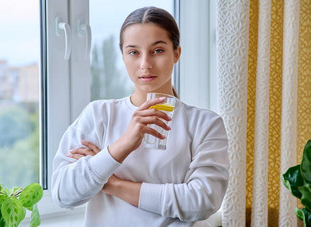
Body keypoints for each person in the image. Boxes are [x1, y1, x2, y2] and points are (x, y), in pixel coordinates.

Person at [51, 6, 229, 227]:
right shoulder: (98, 115)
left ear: (176, 53)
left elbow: (203, 201)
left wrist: (111, 184)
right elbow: (63, 194)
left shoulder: (205, 124)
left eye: (157, 50)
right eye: (134, 52)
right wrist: (122, 146)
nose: (145, 64)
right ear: (123, 56)